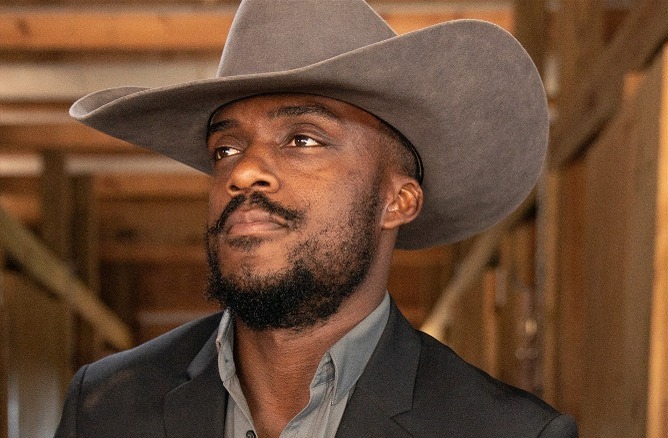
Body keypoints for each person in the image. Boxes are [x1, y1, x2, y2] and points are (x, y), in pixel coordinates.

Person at [55, 0, 577, 436]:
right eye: (225, 149)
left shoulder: (505, 433)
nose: (244, 173)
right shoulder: (105, 408)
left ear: (397, 201)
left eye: (303, 139)